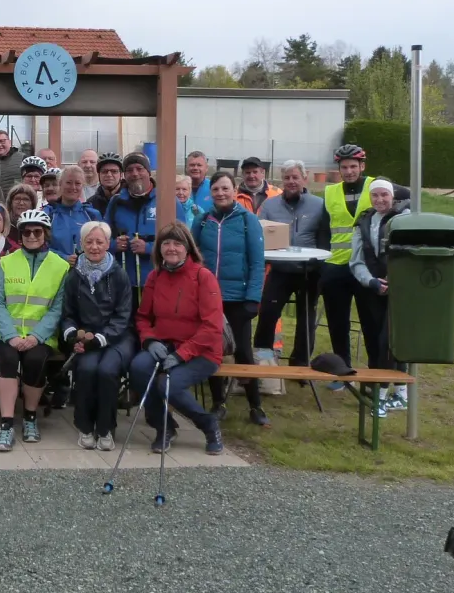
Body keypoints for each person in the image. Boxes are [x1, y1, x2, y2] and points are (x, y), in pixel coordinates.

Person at [129, 223, 226, 455]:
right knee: (139, 368)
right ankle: (164, 427)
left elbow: (212, 327)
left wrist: (182, 354)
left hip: (201, 351)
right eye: (166, 243)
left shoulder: (203, 277)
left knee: (167, 384)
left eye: (177, 243)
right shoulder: (155, 276)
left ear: (188, 248)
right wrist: (150, 341)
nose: (171, 248)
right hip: (164, 346)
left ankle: (208, 424)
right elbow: (143, 317)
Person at [0, 208, 67, 452]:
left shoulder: (60, 266)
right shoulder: (7, 261)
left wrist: (35, 337)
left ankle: (30, 418)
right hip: (5, 334)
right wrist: (11, 336)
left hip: (40, 336)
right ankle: (7, 423)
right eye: (26, 232)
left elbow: (57, 309)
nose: (32, 235)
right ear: (19, 235)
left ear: (45, 234)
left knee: (34, 360)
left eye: (37, 231)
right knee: (8, 360)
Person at [192, 170, 268, 426]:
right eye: (216, 190)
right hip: (209, 299)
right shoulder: (202, 221)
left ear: (234, 190)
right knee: (211, 350)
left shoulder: (248, 220)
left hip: (238, 298)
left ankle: (255, 404)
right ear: (210, 193)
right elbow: (194, 258)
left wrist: (253, 298)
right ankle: (217, 402)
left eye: (225, 188)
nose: (221, 193)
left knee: (243, 351)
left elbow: (258, 262)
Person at [61, 220, 134, 451]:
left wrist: (102, 338)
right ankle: (84, 426)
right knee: (86, 370)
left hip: (117, 338)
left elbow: (123, 316)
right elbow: (68, 314)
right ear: (81, 244)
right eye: (89, 242)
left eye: (99, 242)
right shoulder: (73, 276)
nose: (94, 247)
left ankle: (105, 428)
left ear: (108, 244)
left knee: (107, 371)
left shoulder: (119, 275)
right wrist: (73, 335)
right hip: (86, 337)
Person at [254, 160, 329, 367]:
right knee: (268, 313)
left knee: (306, 318)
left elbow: (324, 237)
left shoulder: (319, 204)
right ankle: (263, 360)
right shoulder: (270, 205)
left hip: (309, 271)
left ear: (304, 179)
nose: (291, 181)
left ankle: (300, 364)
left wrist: (321, 268)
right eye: (287, 177)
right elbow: (261, 234)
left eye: (295, 177)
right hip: (280, 269)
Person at [350, 178, 411, 413]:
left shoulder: (404, 220)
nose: (380, 200)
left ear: (392, 196)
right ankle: (383, 387)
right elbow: (356, 261)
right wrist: (371, 281)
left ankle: (386, 395)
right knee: (374, 341)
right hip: (372, 289)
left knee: (392, 341)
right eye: (375, 196)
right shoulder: (364, 221)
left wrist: (397, 280)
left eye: (384, 195)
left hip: (400, 290)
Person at [320, 143, 374, 368]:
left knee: (371, 321)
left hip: (367, 267)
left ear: (362, 166)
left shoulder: (375, 186)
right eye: (344, 167)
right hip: (336, 266)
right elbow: (324, 229)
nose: (349, 171)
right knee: (337, 323)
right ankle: (342, 369)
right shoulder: (330, 192)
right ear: (339, 169)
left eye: (353, 166)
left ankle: (377, 372)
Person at [104, 152, 167, 289]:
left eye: (139, 169)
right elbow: (102, 238)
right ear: (124, 175)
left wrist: (149, 248)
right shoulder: (116, 202)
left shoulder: (166, 201)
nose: (135, 174)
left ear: (148, 172)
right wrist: (114, 244)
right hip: (123, 282)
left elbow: (181, 241)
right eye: (129, 170)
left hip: (158, 281)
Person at [46, 166, 101, 262]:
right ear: (60, 184)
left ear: (82, 186)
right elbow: (40, 247)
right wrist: (63, 257)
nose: (73, 187)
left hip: (86, 273)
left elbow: (102, 245)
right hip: (57, 272)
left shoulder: (92, 215)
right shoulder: (49, 214)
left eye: (78, 183)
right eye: (68, 183)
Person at [185, 150, 213, 214]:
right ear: (186, 168)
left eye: (199, 165)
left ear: (206, 168)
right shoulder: (177, 187)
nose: (195, 168)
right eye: (192, 165)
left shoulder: (213, 187)